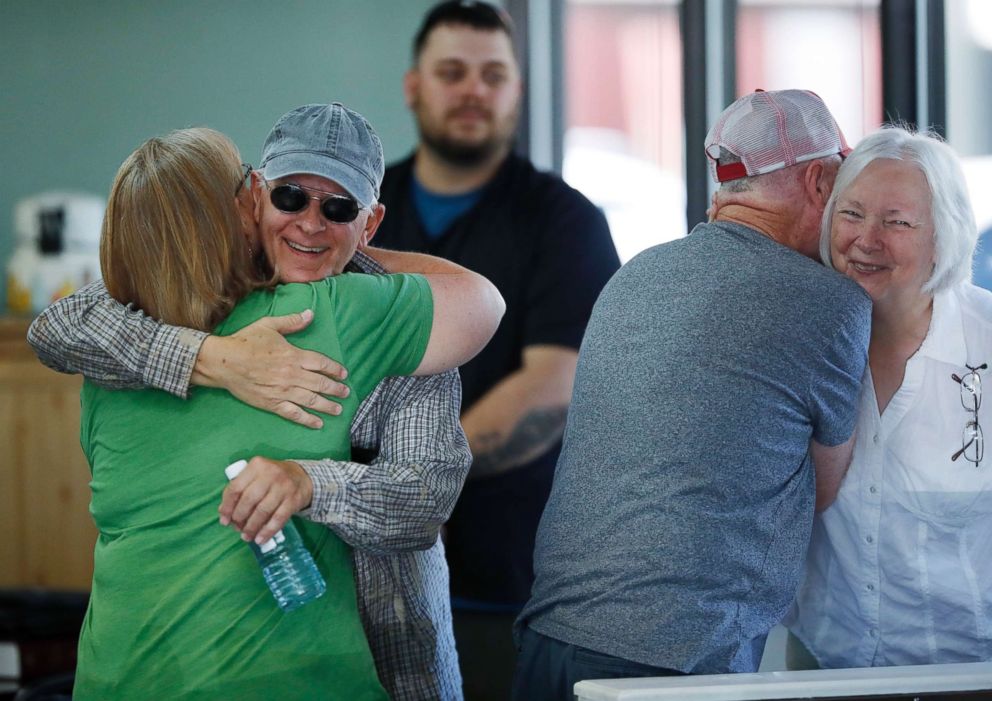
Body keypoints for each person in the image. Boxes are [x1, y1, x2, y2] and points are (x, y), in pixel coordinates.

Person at [27, 103, 490, 700]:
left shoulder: (410, 333)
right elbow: (59, 323)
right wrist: (213, 359)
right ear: (252, 198)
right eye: (290, 197)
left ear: (370, 223)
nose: (310, 224)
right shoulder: (151, 319)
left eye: (339, 209)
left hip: (393, 660)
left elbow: (423, 503)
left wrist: (308, 482)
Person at [512, 89, 872, 700]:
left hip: (548, 639)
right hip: (675, 662)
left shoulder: (637, 273)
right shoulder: (826, 302)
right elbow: (824, 489)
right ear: (819, 180)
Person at [373, 2, 621, 693]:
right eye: (452, 72)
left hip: (508, 581)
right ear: (414, 86)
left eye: (493, 74)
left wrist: (407, 481)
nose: (473, 90)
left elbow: (555, 384)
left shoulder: (564, 220)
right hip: (356, 570)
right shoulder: (354, 211)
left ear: (515, 89)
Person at [785, 126, 992, 668]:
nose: (866, 240)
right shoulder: (793, 340)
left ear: (943, 237)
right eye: (851, 214)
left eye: (897, 222)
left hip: (966, 672)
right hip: (825, 666)